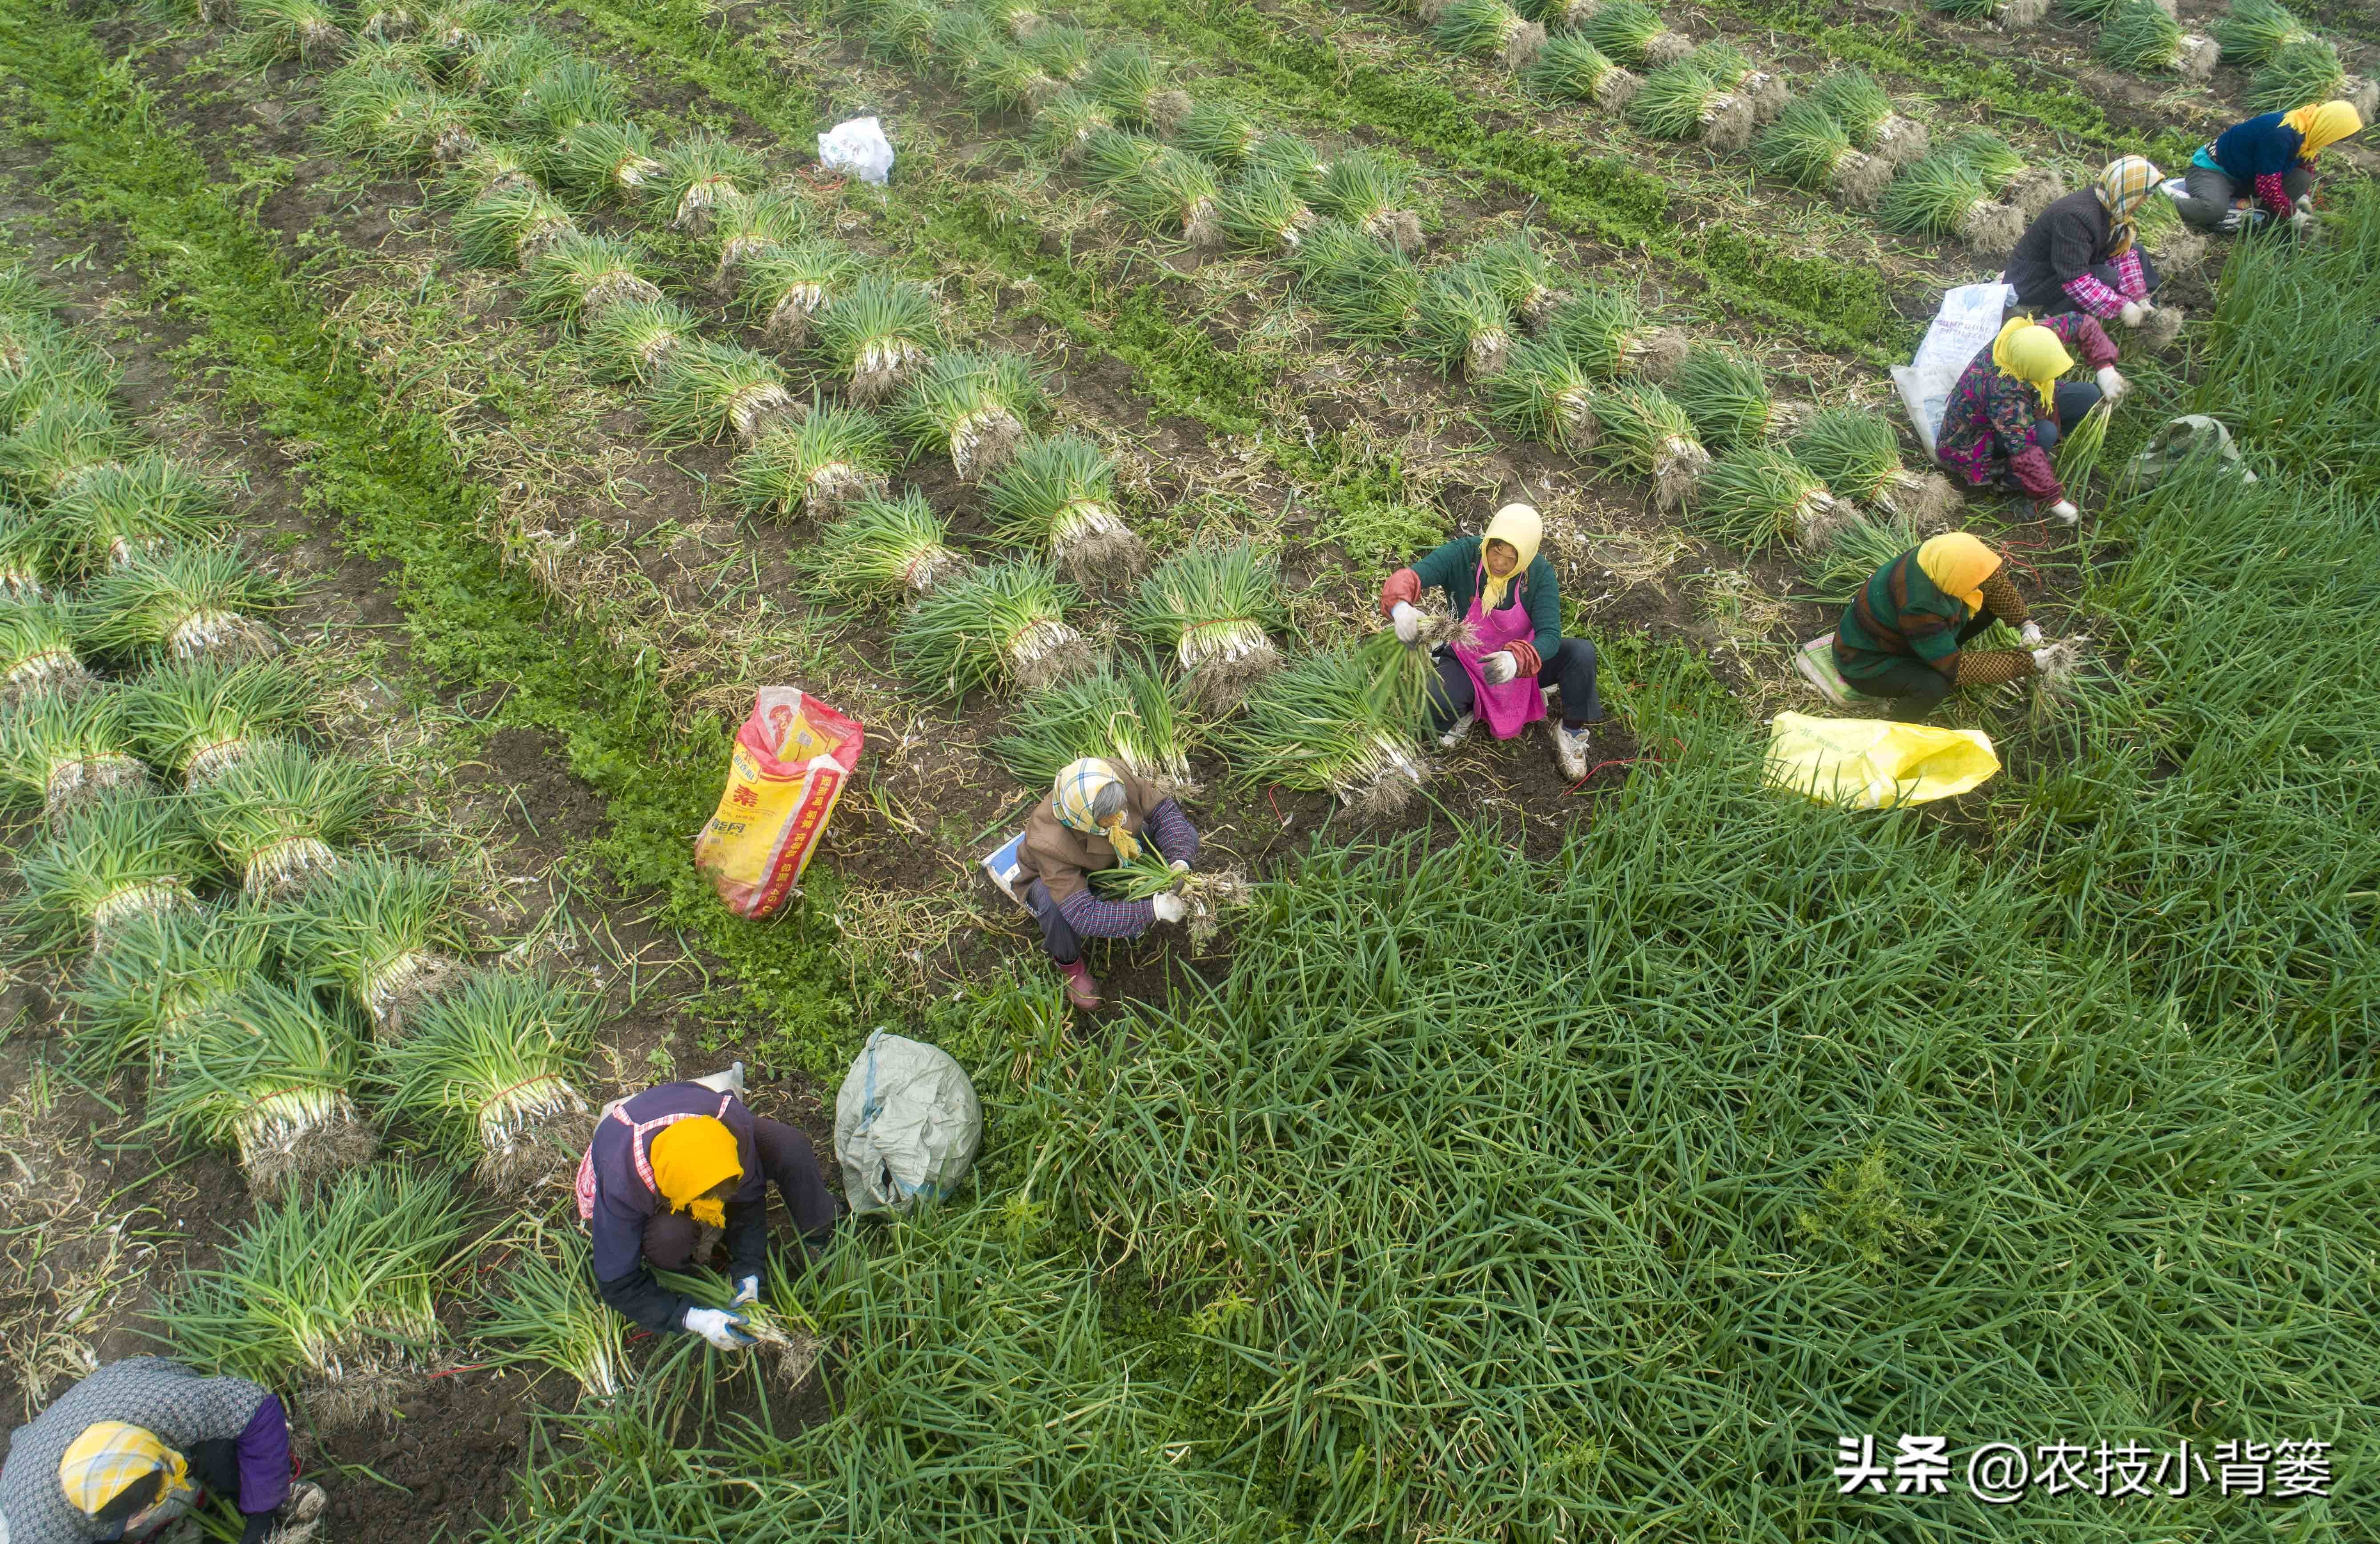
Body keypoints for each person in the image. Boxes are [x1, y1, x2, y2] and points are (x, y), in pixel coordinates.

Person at [574, 1071, 842, 1350]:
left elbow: (749, 1200)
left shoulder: (731, 1131)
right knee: (670, 1236)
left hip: (695, 1127)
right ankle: (691, 1267)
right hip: (635, 1151)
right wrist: (691, 1317)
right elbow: (617, 1283)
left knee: (789, 1146)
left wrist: (749, 1272)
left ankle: (819, 1234)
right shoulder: (623, 1181)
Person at [1377, 502, 1600, 779]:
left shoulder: (1539, 574)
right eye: (1496, 549)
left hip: (1518, 665)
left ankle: (1571, 731)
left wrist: (1517, 659)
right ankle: (1468, 707)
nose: (1500, 562)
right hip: (1467, 660)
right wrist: (1400, 607)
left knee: (1580, 654)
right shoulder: (1465, 554)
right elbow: (1411, 577)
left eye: (1512, 557)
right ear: (1488, 541)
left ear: (1527, 555)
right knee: (1435, 701)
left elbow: (1550, 636)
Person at [0, 1357, 326, 1544]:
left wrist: (261, 1516)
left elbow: (259, 1409)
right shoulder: (41, 1533)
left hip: (144, 1397)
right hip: (21, 1488)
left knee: (221, 1453)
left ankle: (268, 1496)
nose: (136, 1518)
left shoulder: (167, 1407)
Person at [1013, 757, 1200, 1013]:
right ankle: (1073, 968)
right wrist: (1153, 910)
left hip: (1111, 853)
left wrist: (1178, 860)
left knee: (1185, 835)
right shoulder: (1048, 842)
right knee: (1053, 907)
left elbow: (1165, 812)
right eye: (1110, 817)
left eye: (1121, 808)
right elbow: (1082, 914)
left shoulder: (1113, 776)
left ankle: (1130, 889)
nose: (1121, 817)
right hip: (1057, 878)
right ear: (1086, 820)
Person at [1831, 532, 2062, 720]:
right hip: (1867, 660)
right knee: (1934, 685)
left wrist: (2026, 624)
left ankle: (1936, 651)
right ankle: (1897, 730)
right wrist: (2030, 663)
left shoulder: (1937, 559)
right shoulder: (1920, 606)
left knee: (1988, 606)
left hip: (1905, 635)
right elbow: (1956, 667)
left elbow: (1995, 585)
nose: (1983, 581)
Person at [1934, 315, 2125, 525]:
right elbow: (2023, 449)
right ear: (2027, 372)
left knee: (2087, 395)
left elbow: (2083, 324)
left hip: (2028, 398)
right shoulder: (2002, 392)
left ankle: (2043, 457)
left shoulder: (2030, 337)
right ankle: (2009, 484)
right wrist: (2054, 498)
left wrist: (2104, 367)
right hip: (1974, 439)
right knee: (2044, 433)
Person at [2004, 156, 2168, 329]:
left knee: (2136, 251)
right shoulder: (2076, 217)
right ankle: (2052, 322)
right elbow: (2074, 279)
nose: (2144, 201)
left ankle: (2150, 312)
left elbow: (2119, 256)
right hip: (2033, 283)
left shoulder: (2111, 205)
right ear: (2125, 189)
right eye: (2142, 195)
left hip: (2060, 270)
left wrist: (2139, 298)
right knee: (2106, 276)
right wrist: (2122, 307)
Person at [2168, 101, 2364, 234]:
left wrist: (2303, 197)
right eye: (2337, 137)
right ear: (2330, 126)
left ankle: (2264, 223)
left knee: (2302, 179)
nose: (2333, 143)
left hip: (2248, 176)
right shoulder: (2282, 134)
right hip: (2215, 170)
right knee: (2213, 210)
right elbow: (2268, 186)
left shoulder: (2312, 135)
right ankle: (2161, 201)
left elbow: (2306, 167)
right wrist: (2293, 214)